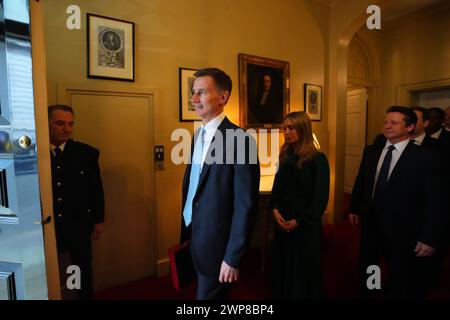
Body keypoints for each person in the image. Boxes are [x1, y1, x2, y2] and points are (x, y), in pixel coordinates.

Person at [349, 106, 447, 299]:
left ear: (410, 127)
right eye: (386, 122)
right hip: (372, 225)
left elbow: (435, 200)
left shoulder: (425, 158)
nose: (387, 126)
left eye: (394, 123)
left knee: (401, 273)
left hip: (404, 229)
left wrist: (429, 237)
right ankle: (372, 292)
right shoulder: (371, 151)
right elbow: (362, 181)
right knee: (370, 266)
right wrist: (354, 207)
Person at [180, 68, 260, 300]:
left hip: (218, 247)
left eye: (201, 93)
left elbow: (245, 205)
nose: (194, 99)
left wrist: (233, 257)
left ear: (223, 97)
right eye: (194, 93)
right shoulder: (198, 136)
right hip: (194, 236)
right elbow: (194, 188)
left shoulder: (241, 140)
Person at [270, 111, 330, 299]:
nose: (287, 132)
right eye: (285, 128)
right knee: (283, 265)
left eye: (291, 127)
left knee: (303, 270)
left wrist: (299, 220)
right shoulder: (285, 156)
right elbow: (277, 189)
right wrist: (275, 209)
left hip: (305, 225)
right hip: (283, 221)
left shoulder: (318, 160)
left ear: (303, 129)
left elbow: (319, 200)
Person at [48, 104, 105, 300]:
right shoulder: (35, 154)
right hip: (48, 226)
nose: (67, 129)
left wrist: (98, 221)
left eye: (71, 124)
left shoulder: (86, 153)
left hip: (79, 224)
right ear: (47, 123)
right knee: (46, 270)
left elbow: (96, 190)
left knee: (81, 270)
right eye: (60, 123)